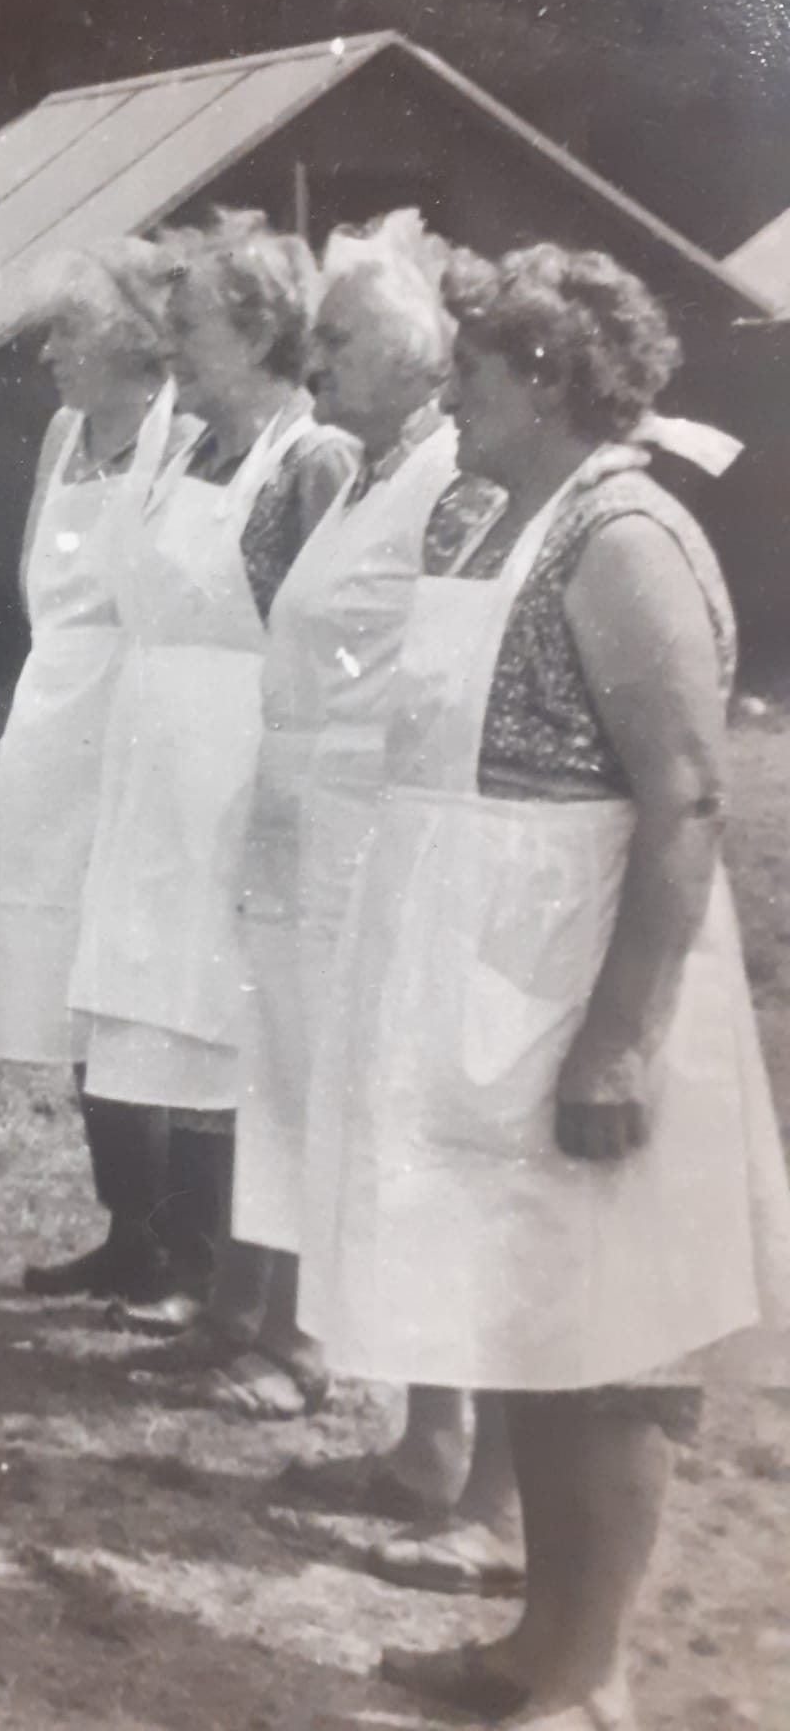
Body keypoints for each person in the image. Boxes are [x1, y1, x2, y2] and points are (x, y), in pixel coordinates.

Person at [296, 245, 790, 1731]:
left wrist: (623, 1041)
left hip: (584, 973)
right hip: (481, 970)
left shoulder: (626, 536)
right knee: (521, 1309)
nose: (447, 393)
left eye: (470, 370)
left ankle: (592, 1672)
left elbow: (687, 796)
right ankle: (535, 1641)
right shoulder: (487, 514)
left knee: (610, 1330)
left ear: (547, 377)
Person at [235, 215, 523, 1577]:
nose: (317, 361)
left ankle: (449, 1440)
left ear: (419, 355)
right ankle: (423, 1430)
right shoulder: (361, 472)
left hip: (384, 831)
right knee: (340, 1110)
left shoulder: (455, 483)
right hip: (315, 818)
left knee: (406, 1122)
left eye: (342, 340)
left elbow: (447, 671)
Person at [71, 210, 355, 1339]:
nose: (169, 346)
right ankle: (195, 1266)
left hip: (243, 767)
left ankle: (254, 1295)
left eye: (189, 326)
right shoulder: (186, 450)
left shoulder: (311, 460)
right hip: (156, 763)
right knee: (170, 1019)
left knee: (235, 1023)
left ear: (261, 329)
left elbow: (333, 645)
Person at [0, 241, 189, 1303]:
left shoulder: (184, 433)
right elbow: (35, 584)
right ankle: (127, 1225)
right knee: (73, 983)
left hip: (140, 729)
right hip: (53, 729)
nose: (50, 355)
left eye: (68, 331)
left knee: (144, 980)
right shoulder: (63, 436)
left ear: (130, 335)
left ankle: (182, 1241)